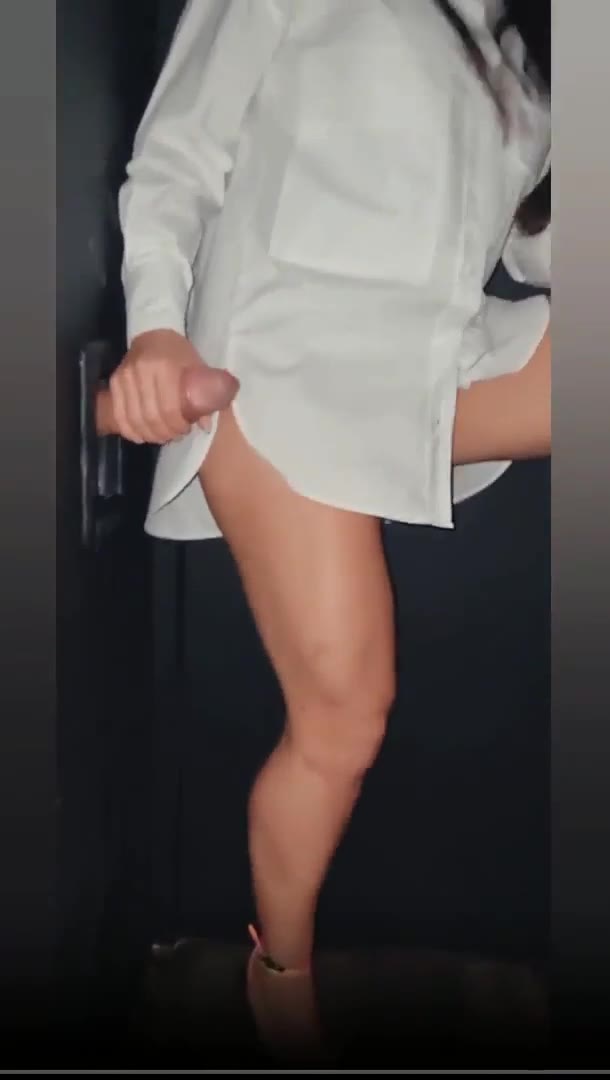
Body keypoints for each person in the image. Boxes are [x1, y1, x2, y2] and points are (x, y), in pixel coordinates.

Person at [111, 0, 550, 1061]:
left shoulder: (527, 64)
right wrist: (156, 329)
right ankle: (280, 979)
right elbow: (179, 150)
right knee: (345, 720)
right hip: (276, 362)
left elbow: (545, 254)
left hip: (430, 366)